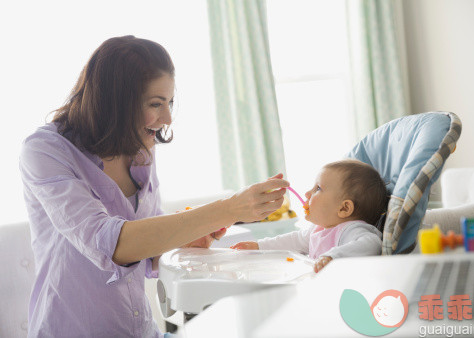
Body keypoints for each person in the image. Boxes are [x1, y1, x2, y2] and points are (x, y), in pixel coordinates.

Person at [19, 35, 289, 338]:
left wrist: (182, 242)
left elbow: (144, 237)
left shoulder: (139, 148)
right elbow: (111, 245)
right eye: (156, 104)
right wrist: (228, 209)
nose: (167, 118)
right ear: (116, 103)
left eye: (169, 102)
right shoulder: (45, 151)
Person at [231, 159, 388, 273]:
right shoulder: (318, 230)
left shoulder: (351, 229)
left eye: (318, 188)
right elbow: (293, 240)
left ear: (345, 208)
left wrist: (332, 257)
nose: (307, 193)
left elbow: (372, 244)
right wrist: (259, 246)